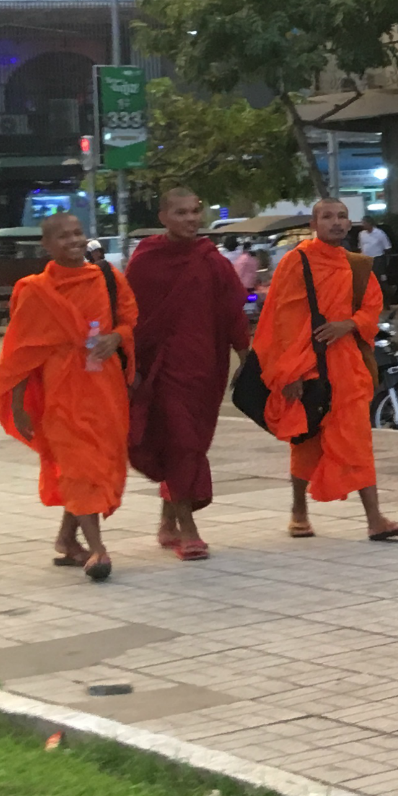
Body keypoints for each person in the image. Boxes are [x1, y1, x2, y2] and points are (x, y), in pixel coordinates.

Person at [254, 200, 398, 542]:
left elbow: (372, 308)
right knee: (306, 442)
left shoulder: (356, 266)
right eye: (328, 217)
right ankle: (298, 511)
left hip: (348, 366)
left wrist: (349, 324)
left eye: (342, 217)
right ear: (314, 223)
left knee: (357, 441)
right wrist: (289, 373)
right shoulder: (297, 262)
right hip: (307, 368)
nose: (336, 223)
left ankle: (375, 519)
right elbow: (283, 321)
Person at [0, 213, 135, 582]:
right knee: (79, 464)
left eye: (77, 234)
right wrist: (20, 403)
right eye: (62, 236)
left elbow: (128, 320)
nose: (73, 241)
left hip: (106, 386)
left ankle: (67, 540)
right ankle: (98, 551)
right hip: (62, 390)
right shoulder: (35, 289)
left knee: (102, 461)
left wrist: (116, 338)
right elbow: (22, 352)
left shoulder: (107, 277)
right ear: (47, 245)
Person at [125, 188, 250, 562]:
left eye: (195, 212)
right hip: (161, 369)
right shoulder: (146, 260)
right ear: (163, 217)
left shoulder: (212, 260)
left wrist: (247, 359)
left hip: (205, 369)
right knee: (181, 441)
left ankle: (167, 522)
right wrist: (129, 368)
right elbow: (128, 318)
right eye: (181, 213)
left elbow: (233, 314)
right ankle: (187, 529)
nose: (191, 219)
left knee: (189, 443)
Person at [357, 217, 395, 301]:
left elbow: (387, 247)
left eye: (364, 223)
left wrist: (385, 261)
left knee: (378, 279)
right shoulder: (361, 234)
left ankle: (386, 296)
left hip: (378, 258)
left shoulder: (379, 233)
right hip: (366, 259)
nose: (363, 225)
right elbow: (361, 246)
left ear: (369, 223)